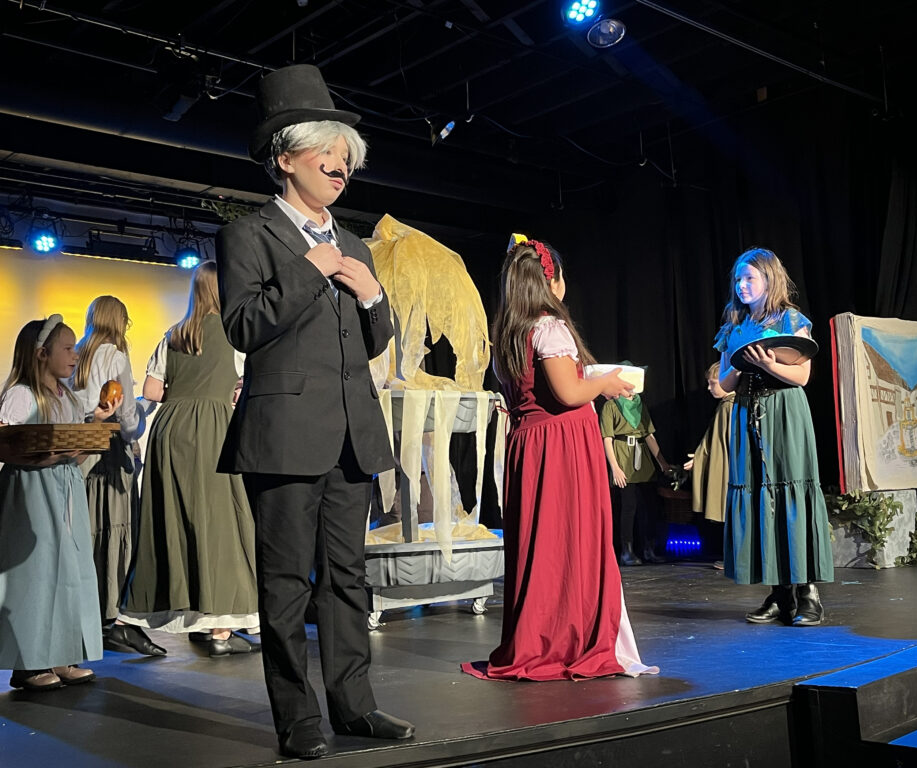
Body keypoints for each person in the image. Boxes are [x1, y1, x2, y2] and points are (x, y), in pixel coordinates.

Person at [217, 64, 413, 760]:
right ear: (285, 158)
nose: (340, 164)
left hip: (353, 435)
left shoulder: (355, 244)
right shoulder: (250, 235)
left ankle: (354, 707)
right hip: (283, 437)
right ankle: (296, 719)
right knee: (284, 584)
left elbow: (372, 341)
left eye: (346, 155)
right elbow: (244, 326)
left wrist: (372, 297)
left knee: (348, 578)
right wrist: (312, 268)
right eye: (326, 151)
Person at [461, 238, 658, 681]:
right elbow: (568, 394)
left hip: (532, 444)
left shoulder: (509, 332)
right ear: (551, 283)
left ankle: (544, 632)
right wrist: (605, 383)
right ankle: (569, 637)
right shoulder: (548, 327)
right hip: (560, 445)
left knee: (544, 542)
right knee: (570, 541)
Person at [121, 261, 260, 657]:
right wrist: (222, 391)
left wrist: (188, 391)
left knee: (172, 520)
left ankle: (166, 615)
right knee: (221, 521)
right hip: (213, 428)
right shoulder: (234, 334)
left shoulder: (174, 334)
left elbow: (152, 390)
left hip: (170, 429)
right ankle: (219, 628)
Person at [714, 247, 833, 626]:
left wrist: (769, 364)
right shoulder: (734, 326)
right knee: (760, 496)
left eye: (749, 277)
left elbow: (802, 376)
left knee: (791, 491)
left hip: (784, 411)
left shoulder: (790, 318)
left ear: (769, 279)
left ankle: (808, 592)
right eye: (738, 279)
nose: (742, 285)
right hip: (747, 412)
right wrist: (739, 365)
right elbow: (723, 384)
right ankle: (780, 595)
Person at [0, 315, 119, 690]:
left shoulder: (67, 397)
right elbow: (9, 446)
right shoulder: (22, 395)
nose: (75, 354)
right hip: (32, 489)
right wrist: (51, 454)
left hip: (64, 488)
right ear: (41, 354)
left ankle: (61, 653)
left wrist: (93, 429)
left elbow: (74, 455)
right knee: (36, 574)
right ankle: (28, 662)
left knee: (68, 570)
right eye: (67, 348)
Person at [71, 296, 165, 656]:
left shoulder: (78, 353)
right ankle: (114, 619)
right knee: (116, 531)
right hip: (110, 455)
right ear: (119, 322)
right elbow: (126, 423)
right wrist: (145, 408)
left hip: (82, 454)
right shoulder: (115, 356)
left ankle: (87, 614)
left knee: (90, 532)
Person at [599, 385, 673, 565]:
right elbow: (607, 438)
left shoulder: (640, 405)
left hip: (642, 457)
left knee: (648, 506)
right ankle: (627, 551)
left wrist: (662, 463)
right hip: (623, 456)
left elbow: (649, 435)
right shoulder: (611, 406)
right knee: (628, 506)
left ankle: (649, 548)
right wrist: (615, 467)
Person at [684, 361, 735, 570]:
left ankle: (735, 559)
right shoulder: (725, 406)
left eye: (712, 383)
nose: (708, 388)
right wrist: (700, 457)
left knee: (732, 512)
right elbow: (713, 439)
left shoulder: (730, 406)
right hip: (727, 467)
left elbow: (727, 441)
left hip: (731, 470)